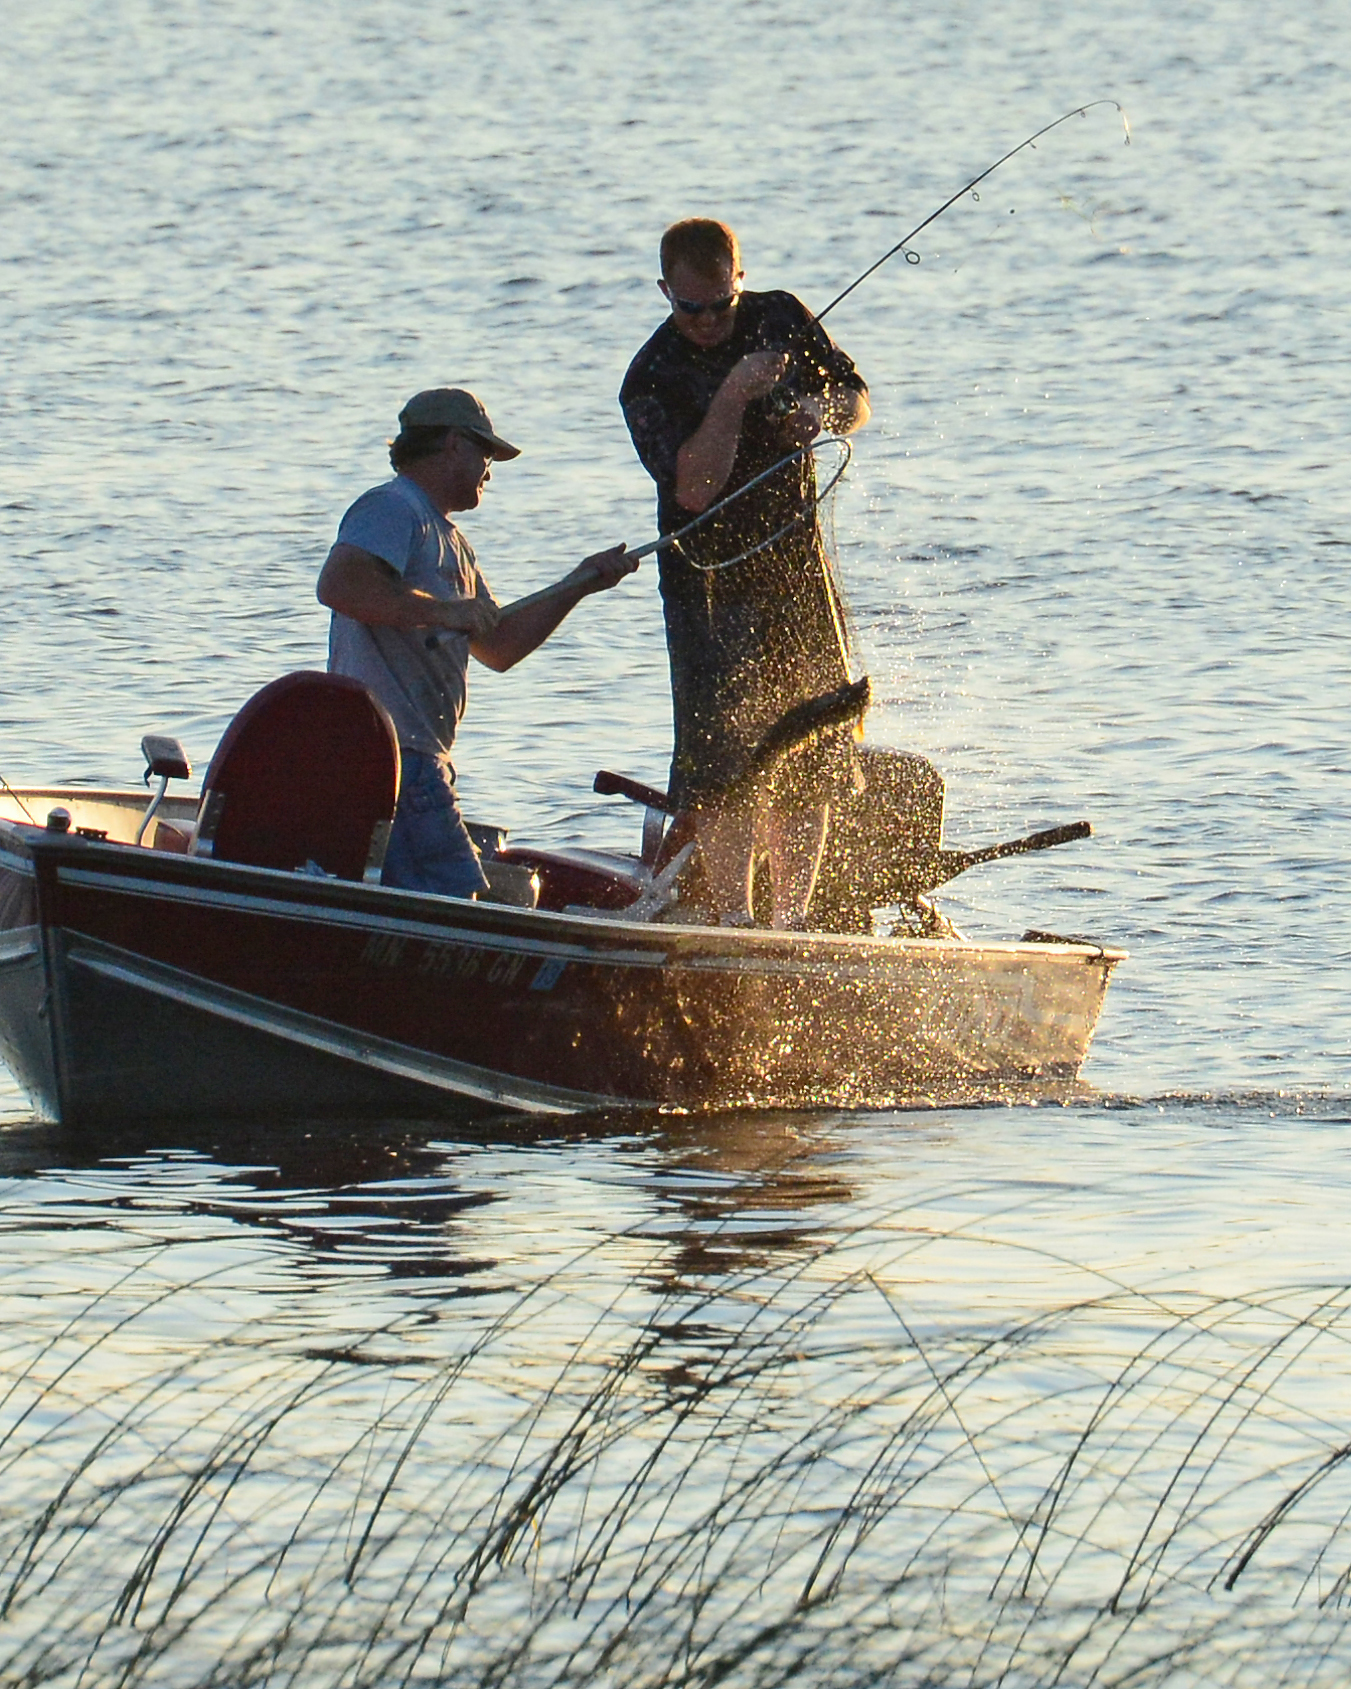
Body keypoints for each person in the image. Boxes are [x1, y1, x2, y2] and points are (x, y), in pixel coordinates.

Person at [619, 219, 871, 929]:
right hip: (707, 582)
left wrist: (817, 410)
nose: (706, 322)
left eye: (719, 305)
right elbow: (695, 487)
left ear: (740, 280)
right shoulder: (650, 377)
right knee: (719, 760)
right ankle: (734, 914)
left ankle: (791, 919)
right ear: (665, 292)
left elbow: (856, 400)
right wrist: (733, 394)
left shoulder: (779, 317)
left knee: (813, 739)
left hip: (795, 569)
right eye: (689, 308)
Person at [317, 387, 635, 898]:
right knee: (459, 900)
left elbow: (499, 646)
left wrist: (579, 584)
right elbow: (340, 584)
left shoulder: (454, 544)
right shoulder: (393, 506)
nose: (490, 471)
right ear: (453, 444)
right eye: (486, 453)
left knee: (421, 900)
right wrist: (444, 611)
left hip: (425, 762)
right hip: (393, 756)